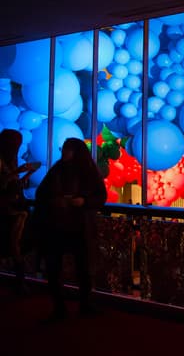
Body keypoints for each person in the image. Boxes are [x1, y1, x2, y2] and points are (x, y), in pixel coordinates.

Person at [35, 137, 107, 320]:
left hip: (79, 226)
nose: (64, 153)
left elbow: (101, 196)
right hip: (57, 225)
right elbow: (41, 193)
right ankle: (59, 306)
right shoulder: (57, 169)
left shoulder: (88, 172)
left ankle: (84, 303)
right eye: (63, 149)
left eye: (67, 149)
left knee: (83, 267)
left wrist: (84, 202)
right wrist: (55, 201)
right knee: (54, 268)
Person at [0, 128, 38, 294]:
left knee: (14, 244)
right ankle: (19, 282)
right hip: (6, 209)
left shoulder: (10, 161)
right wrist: (17, 173)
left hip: (15, 207)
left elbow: (14, 184)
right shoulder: (4, 161)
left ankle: (19, 281)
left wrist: (27, 173)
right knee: (13, 244)